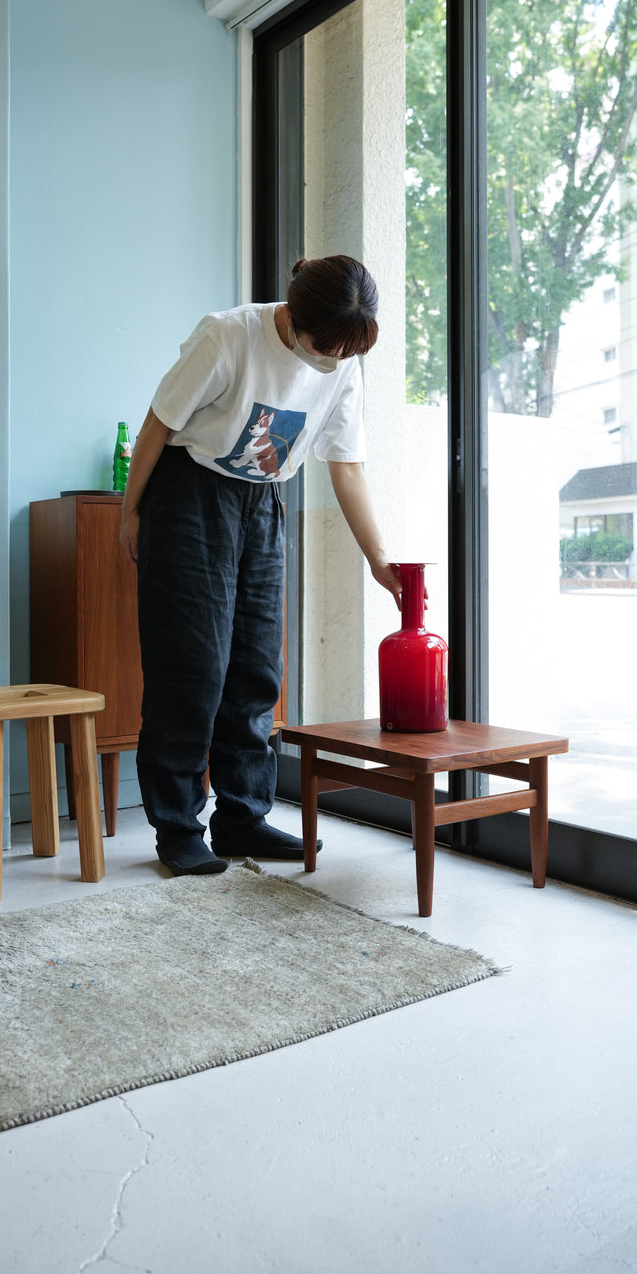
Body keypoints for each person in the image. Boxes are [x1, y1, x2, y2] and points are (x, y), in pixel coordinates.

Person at [120, 255, 401, 876]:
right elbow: (159, 424)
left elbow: (346, 467)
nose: (328, 362)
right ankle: (176, 826)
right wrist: (131, 510)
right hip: (190, 494)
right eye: (321, 349)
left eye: (341, 354)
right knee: (192, 669)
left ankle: (242, 817)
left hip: (263, 506)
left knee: (254, 670)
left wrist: (377, 559)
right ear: (293, 316)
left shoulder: (342, 360)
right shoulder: (228, 334)